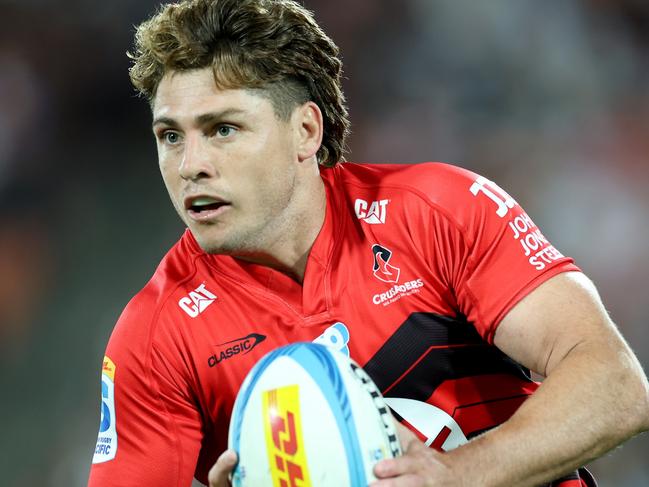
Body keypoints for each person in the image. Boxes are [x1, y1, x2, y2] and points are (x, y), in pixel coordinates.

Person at [87, 0, 649, 486]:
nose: (190, 167)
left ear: (305, 131)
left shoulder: (435, 210)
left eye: (223, 129)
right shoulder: (157, 336)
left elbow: (616, 384)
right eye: (169, 136)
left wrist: (459, 475)